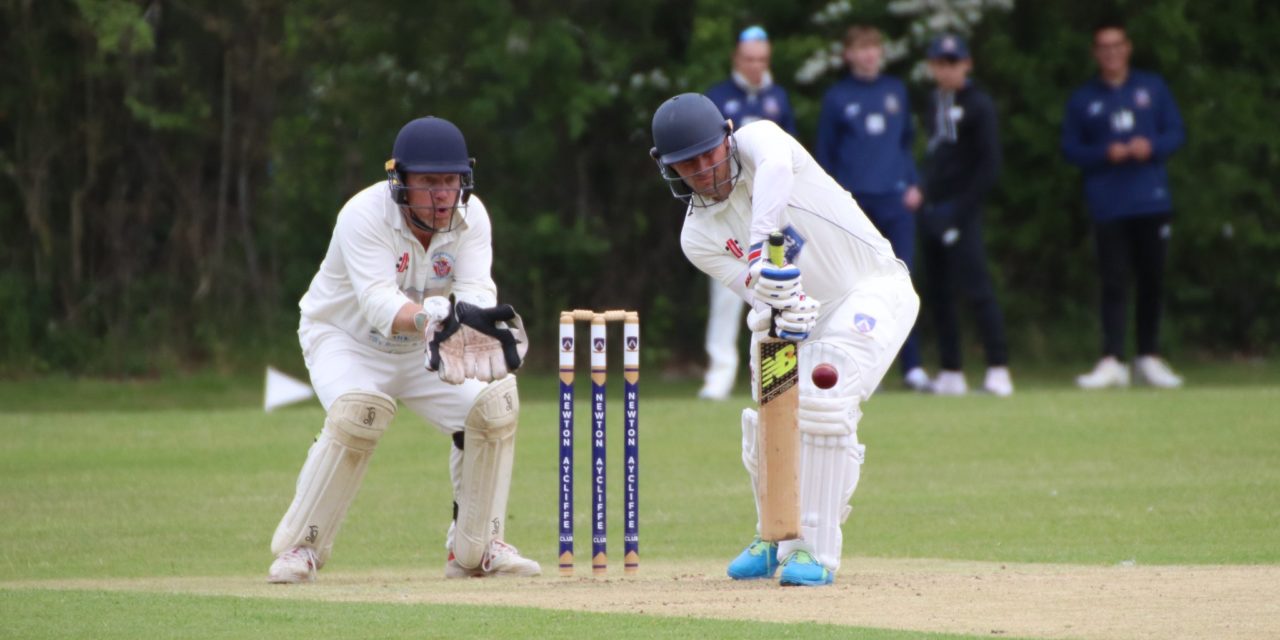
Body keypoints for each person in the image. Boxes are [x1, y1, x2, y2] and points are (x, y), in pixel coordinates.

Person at [648, 93, 919, 586]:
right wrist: (779, 304)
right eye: (690, 164)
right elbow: (758, 292)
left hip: (872, 288)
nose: (706, 170)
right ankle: (775, 534)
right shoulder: (696, 238)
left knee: (824, 394)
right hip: (810, 314)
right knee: (770, 401)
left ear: (728, 136)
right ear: (671, 170)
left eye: (710, 153)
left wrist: (758, 247)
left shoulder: (760, 140)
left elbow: (774, 172)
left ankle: (815, 551)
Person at [266, 116, 541, 583]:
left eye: (450, 181)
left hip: (422, 348)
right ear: (400, 182)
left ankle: (475, 549)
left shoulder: (472, 218)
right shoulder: (363, 214)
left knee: (493, 406)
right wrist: (430, 319)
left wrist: (467, 323)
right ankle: (299, 548)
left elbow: (475, 290)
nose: (441, 194)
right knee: (359, 413)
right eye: (428, 182)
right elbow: (376, 302)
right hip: (345, 339)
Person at [1062, 20, 1185, 389]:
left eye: (1117, 45)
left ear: (1127, 48)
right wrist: (1105, 152)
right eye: (1104, 46)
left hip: (1150, 200)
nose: (1111, 52)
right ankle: (1112, 358)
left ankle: (1148, 357)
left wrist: (1152, 147)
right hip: (1109, 204)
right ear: (1096, 53)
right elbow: (1070, 148)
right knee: (1113, 281)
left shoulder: (1152, 87)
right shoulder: (1084, 98)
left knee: (1152, 280)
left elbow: (1176, 132)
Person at [816, 25, 928, 391]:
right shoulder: (836, 97)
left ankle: (912, 367)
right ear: (848, 54)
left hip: (895, 199)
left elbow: (906, 143)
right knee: (855, 284)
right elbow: (825, 155)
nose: (868, 55)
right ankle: (861, 366)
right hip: (855, 204)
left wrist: (912, 183)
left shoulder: (896, 91)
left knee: (902, 281)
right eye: (861, 49)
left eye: (873, 49)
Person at [698, 25, 799, 400]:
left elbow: (789, 154)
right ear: (737, 59)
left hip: (771, 211)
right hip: (727, 210)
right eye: (750, 59)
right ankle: (720, 374)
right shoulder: (717, 99)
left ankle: (788, 366)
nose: (756, 66)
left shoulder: (779, 98)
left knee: (783, 283)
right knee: (728, 294)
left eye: (762, 60)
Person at [916, 34, 1013, 396]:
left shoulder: (979, 105)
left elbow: (988, 165)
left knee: (977, 289)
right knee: (938, 292)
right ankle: (951, 368)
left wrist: (960, 210)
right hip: (933, 209)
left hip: (963, 210)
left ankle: (998, 368)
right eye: (940, 64)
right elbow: (936, 157)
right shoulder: (934, 102)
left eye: (951, 63)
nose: (946, 70)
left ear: (966, 64)